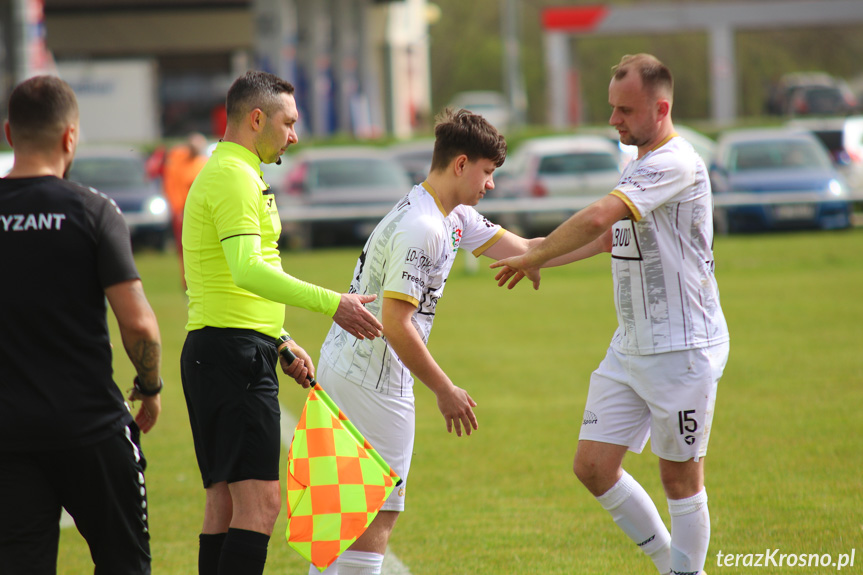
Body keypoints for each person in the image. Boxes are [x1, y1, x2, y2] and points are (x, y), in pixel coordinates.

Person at [310, 108, 589, 575]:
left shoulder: (450, 213)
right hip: (372, 381)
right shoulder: (424, 227)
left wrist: (605, 238)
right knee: (377, 513)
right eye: (487, 172)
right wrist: (445, 390)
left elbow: (526, 249)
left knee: (338, 515)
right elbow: (397, 324)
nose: (491, 184)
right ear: (461, 165)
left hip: (347, 366)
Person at [491, 54, 730, 575]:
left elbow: (601, 214)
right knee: (594, 467)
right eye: (611, 108)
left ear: (660, 107)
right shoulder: (640, 162)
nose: (613, 120)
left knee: (681, 481)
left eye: (624, 110)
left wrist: (537, 253)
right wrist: (539, 253)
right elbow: (607, 237)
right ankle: (675, 567)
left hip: (681, 348)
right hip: (630, 346)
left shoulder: (675, 160)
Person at [179, 70, 383, 575]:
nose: (295, 135)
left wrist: (281, 340)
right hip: (231, 357)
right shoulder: (233, 176)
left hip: (222, 350)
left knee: (225, 506)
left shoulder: (236, 171)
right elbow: (249, 270)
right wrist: (333, 303)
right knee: (262, 505)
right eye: (289, 122)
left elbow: (241, 275)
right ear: (256, 119)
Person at [0, 75, 163, 574]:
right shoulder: (93, 211)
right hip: (90, 428)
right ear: (70, 137)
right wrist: (149, 385)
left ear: (9, 133)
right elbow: (138, 326)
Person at [162, 131, 209, 285]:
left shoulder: (203, 163)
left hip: (200, 213)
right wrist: (177, 210)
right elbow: (172, 186)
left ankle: (200, 279)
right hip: (182, 213)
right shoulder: (177, 160)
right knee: (185, 249)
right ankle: (188, 280)